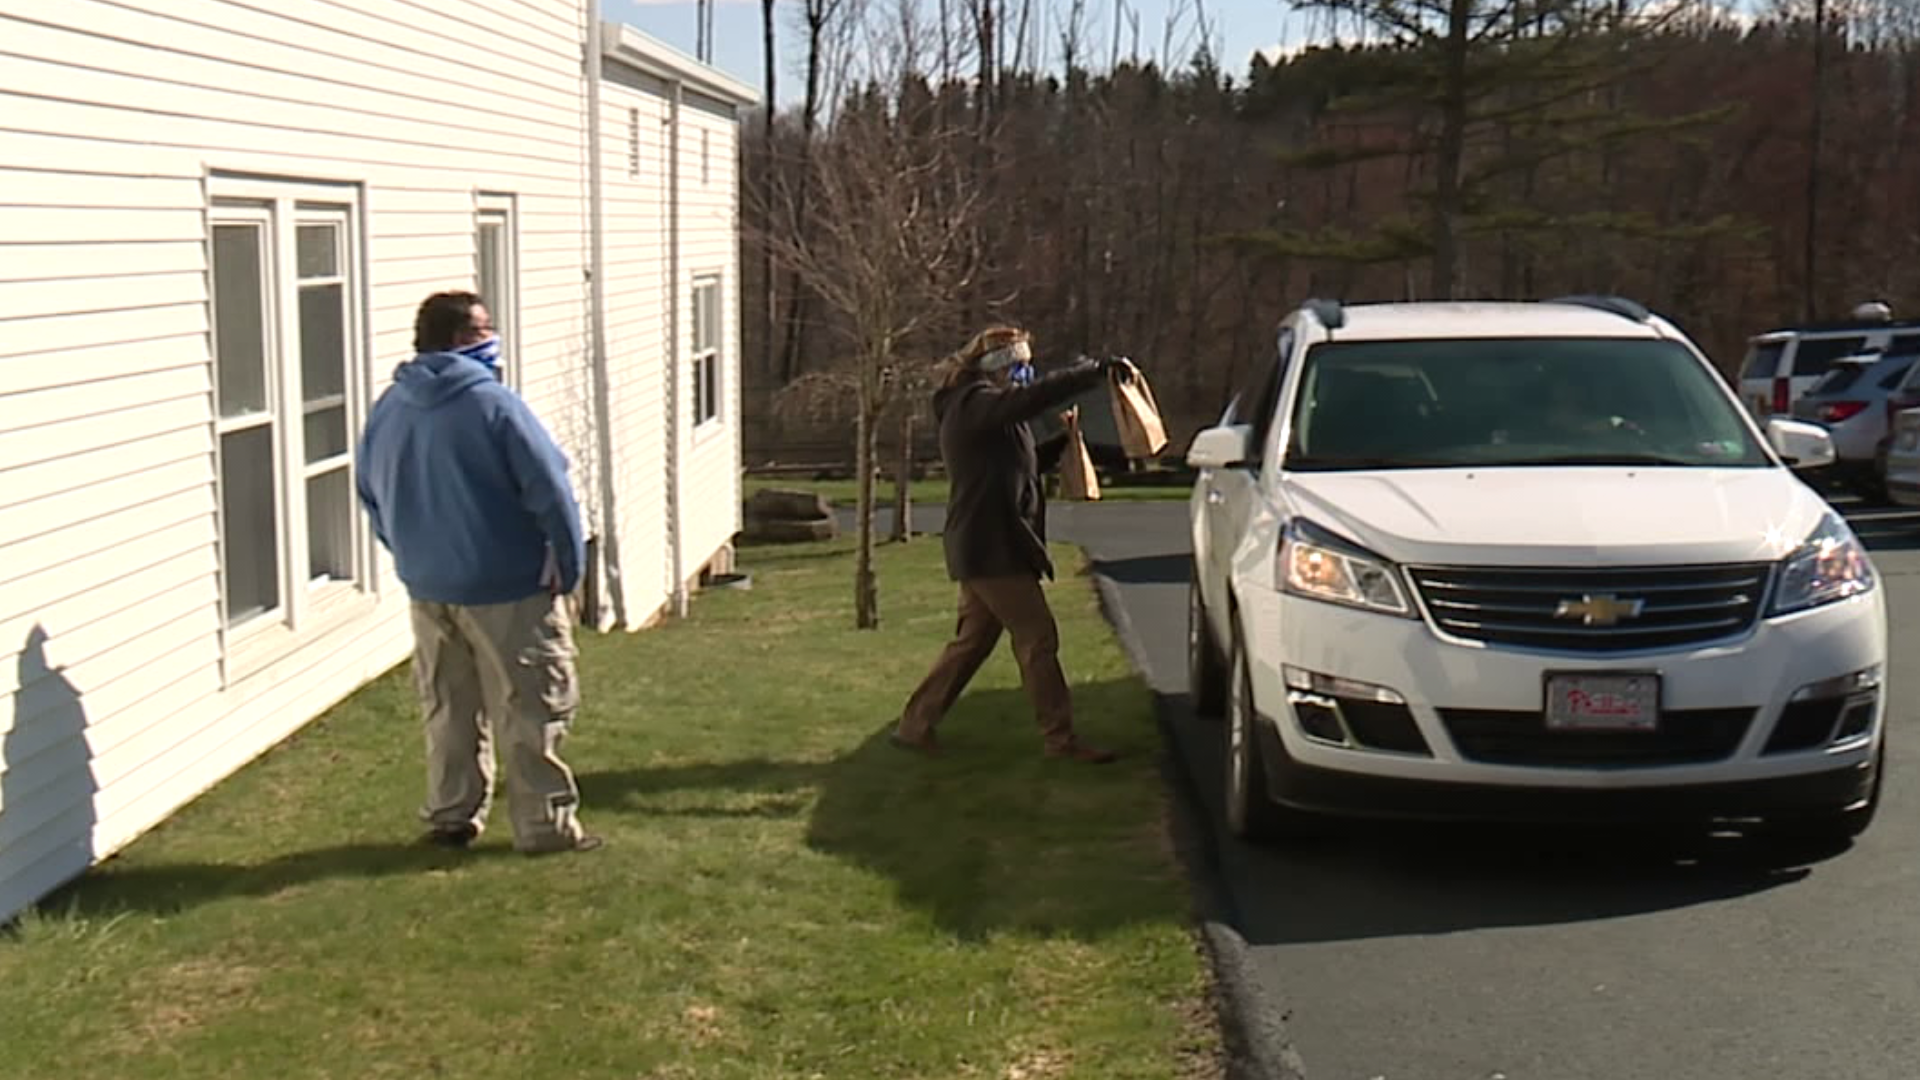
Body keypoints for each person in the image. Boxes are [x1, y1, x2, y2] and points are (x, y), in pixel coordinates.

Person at [355, 290, 599, 855]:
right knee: (530, 707)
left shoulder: (391, 405)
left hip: (429, 587)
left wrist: (410, 554)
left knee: (449, 707)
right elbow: (550, 488)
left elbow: (370, 493)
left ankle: (451, 815)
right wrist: (568, 564)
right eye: (484, 329)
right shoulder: (494, 404)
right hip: (507, 587)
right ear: (463, 340)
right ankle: (545, 828)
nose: (494, 339)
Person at [892, 326, 1131, 764]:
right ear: (999, 368)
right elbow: (1027, 401)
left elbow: (1012, 467)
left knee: (973, 641)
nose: (1026, 373)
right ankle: (1061, 741)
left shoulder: (985, 410)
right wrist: (1089, 373)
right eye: (1020, 365)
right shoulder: (975, 404)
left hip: (986, 543)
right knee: (1038, 638)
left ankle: (915, 725)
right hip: (991, 546)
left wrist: (1062, 445)